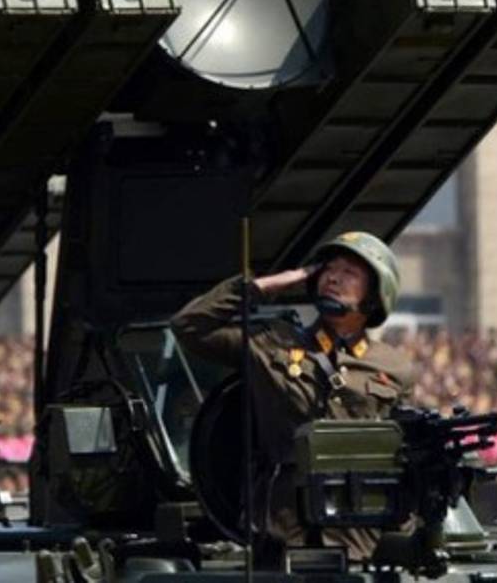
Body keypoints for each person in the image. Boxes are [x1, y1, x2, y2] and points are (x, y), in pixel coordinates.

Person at [170, 231, 413, 562]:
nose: (333, 278)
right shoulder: (273, 344)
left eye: (350, 273)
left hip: (360, 534)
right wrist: (266, 286)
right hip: (282, 532)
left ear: (374, 296)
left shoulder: (394, 366)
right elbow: (189, 326)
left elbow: (407, 451)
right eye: (328, 269)